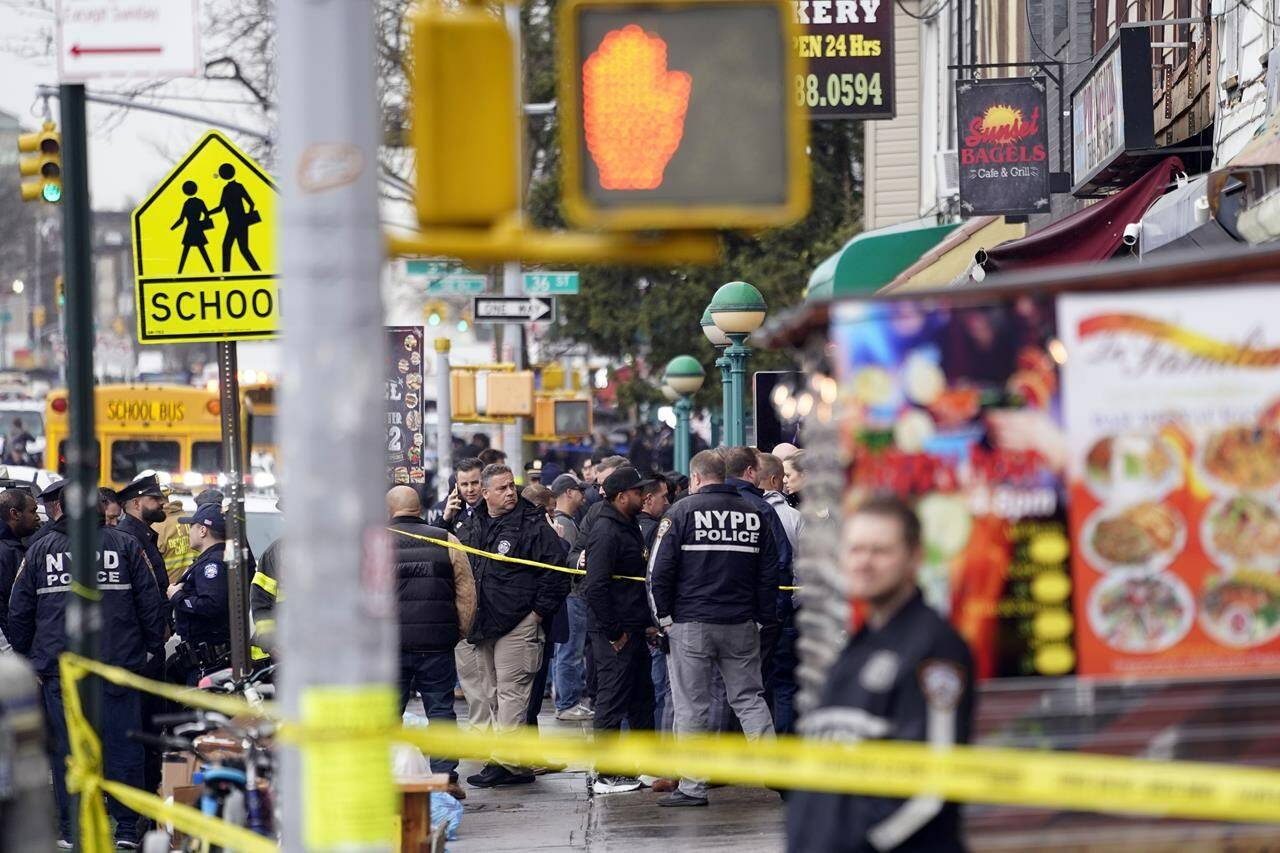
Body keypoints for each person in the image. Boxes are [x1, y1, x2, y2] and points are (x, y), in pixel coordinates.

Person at [787, 496, 975, 853]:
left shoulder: (935, 648)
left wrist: (861, 844)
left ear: (914, 557)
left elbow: (931, 789)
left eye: (880, 551)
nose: (864, 562)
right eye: (855, 549)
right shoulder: (857, 649)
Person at [9, 489, 166, 848]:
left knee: (67, 751)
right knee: (124, 748)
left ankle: (71, 828)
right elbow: (150, 604)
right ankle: (126, 829)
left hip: (61, 672)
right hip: (117, 668)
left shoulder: (39, 550)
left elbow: (19, 613)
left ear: (61, 508)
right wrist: (150, 650)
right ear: (99, 509)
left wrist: (32, 658)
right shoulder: (125, 545)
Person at [647, 449, 779, 806]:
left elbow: (658, 573)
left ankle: (692, 786)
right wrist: (763, 618)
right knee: (750, 699)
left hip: (691, 624)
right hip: (741, 623)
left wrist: (663, 621)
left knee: (692, 707)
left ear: (695, 478)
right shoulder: (755, 514)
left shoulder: (680, 513)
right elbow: (769, 575)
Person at [454, 464, 570, 788]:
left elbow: (556, 572)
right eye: (502, 488)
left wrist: (536, 614)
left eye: (511, 487)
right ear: (487, 493)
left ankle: (504, 762)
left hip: (518, 623)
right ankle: (514, 762)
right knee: (492, 695)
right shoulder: (476, 522)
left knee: (511, 695)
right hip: (486, 623)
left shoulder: (532, 523)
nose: (509, 493)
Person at [387, 486, 476, 801]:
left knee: (387, 714)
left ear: (390, 510)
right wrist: (457, 630)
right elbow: (466, 591)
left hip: (390, 647)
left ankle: (390, 776)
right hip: (437, 645)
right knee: (441, 711)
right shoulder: (446, 539)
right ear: (418, 508)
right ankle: (446, 779)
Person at [584, 467, 656, 794]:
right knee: (612, 701)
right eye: (638, 492)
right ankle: (607, 773)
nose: (644, 496)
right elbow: (596, 587)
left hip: (634, 628)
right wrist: (614, 632)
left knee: (642, 699)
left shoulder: (627, 526)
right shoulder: (606, 531)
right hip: (616, 633)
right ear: (621, 496)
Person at [756, 451, 805, 735]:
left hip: (753, 613)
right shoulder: (794, 517)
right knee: (786, 682)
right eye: (783, 476)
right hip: (788, 611)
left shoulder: (747, 512)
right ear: (774, 479)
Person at [167, 503, 231, 685]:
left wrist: (176, 597)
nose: (189, 532)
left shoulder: (212, 564)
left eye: (191, 527)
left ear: (203, 530)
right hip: (205, 659)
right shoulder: (214, 559)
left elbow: (211, 604)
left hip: (208, 660)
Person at [549, 474, 593, 722]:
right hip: (572, 595)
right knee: (570, 651)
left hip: (568, 597)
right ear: (568, 493)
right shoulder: (563, 525)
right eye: (579, 490)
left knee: (566, 651)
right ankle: (567, 703)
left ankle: (566, 700)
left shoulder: (565, 522)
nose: (582, 496)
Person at [115, 474, 171, 596]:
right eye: (155, 498)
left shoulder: (142, 534)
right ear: (136, 504)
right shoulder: (126, 538)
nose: (162, 502)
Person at [0, 488, 39, 643]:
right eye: (33, 511)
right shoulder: (5, 551)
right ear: (14, 514)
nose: (37, 517)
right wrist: (9, 648)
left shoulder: (12, 547)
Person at [209, 162, 260, 272]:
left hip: (235, 223)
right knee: (238, 248)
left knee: (232, 248)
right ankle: (255, 271)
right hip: (239, 223)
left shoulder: (227, 189)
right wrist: (247, 218)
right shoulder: (237, 187)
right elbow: (251, 203)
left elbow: (220, 208)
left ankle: (227, 275)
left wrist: (208, 213)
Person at [170, 179, 214, 274]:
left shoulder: (187, 203)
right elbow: (207, 214)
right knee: (201, 250)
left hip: (190, 229)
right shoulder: (200, 202)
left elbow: (181, 220)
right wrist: (203, 223)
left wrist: (172, 228)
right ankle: (212, 270)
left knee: (186, 251)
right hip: (197, 228)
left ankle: (179, 272)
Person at [433, 457, 483, 535]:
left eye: (475, 483)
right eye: (464, 484)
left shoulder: (496, 511)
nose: (470, 489)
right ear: (457, 487)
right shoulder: (455, 513)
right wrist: (445, 519)